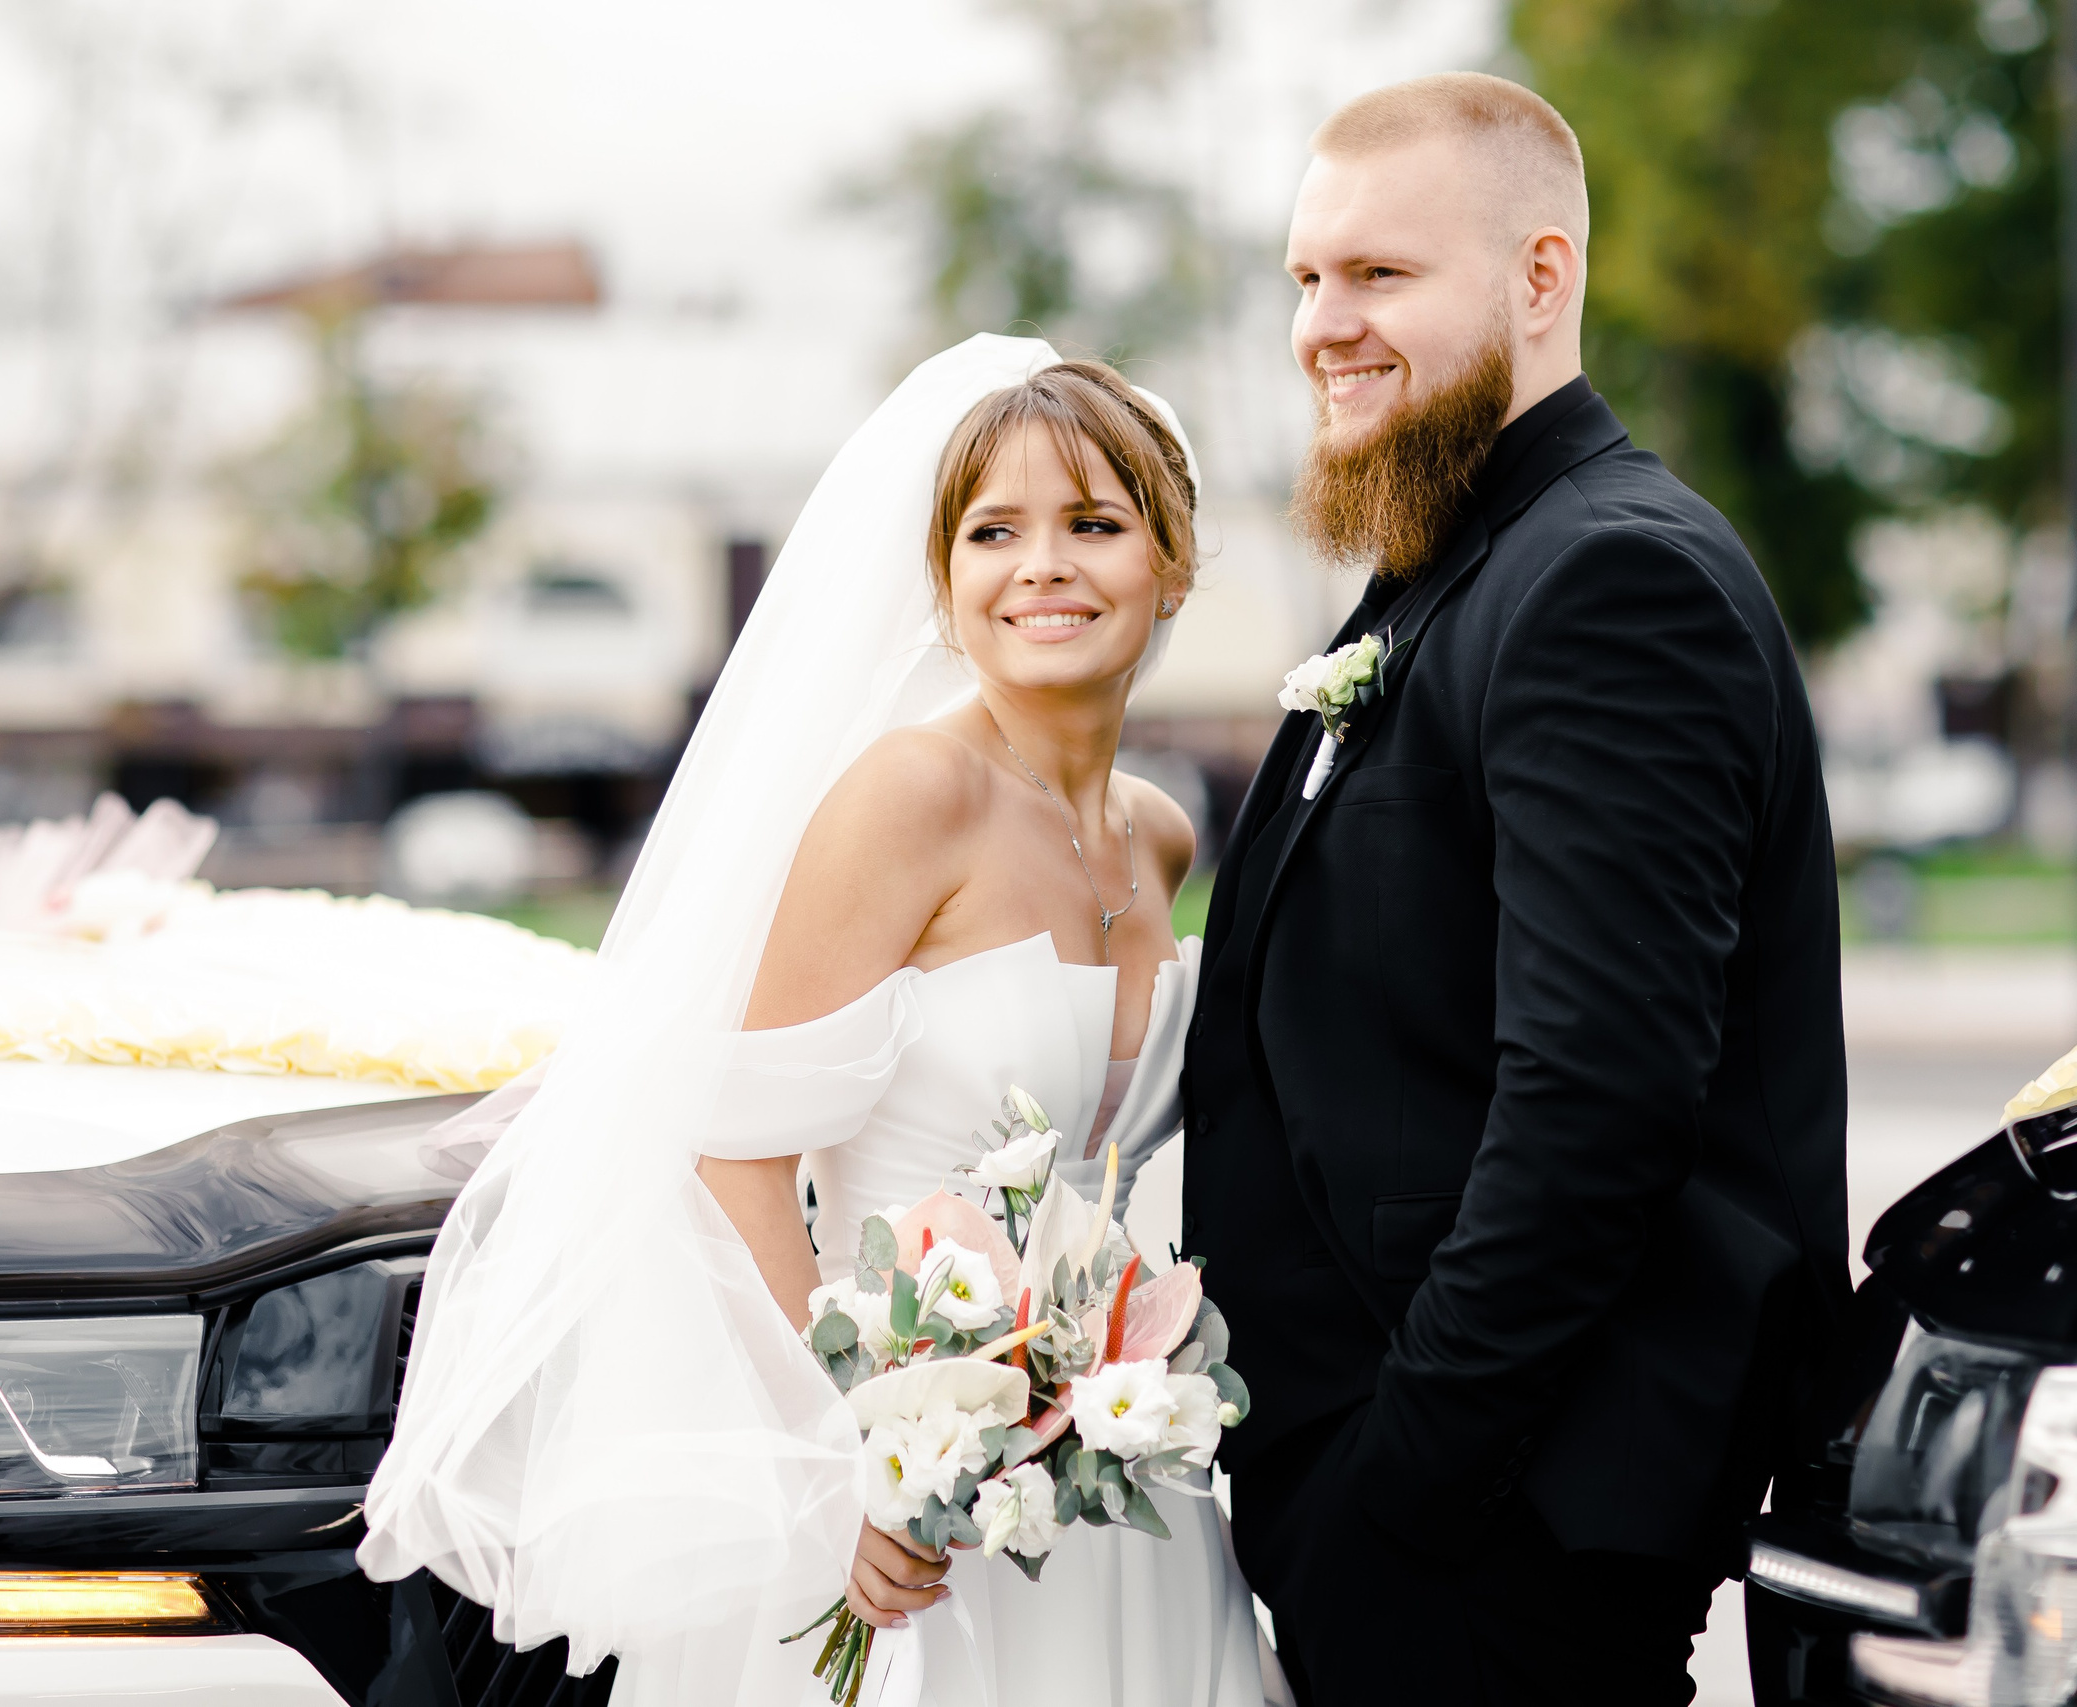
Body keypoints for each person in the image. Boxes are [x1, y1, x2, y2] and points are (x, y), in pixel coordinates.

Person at [360, 338, 1279, 1705]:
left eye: (1095, 523)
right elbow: (726, 1153)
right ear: (943, 576)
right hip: (911, 1509)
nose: (1043, 565)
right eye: (993, 531)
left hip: (1114, 1483)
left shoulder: (1155, 834)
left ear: (1174, 563)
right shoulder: (909, 800)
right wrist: (856, 1458)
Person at [1178, 72, 1848, 1705]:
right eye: (1308, 279)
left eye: (1382, 275)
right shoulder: (1455, 567)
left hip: (1502, 1525)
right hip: (1436, 1522)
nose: (1323, 325)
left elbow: (1595, 1104)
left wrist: (1396, 1488)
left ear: (1541, 281)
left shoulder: (1609, 579)